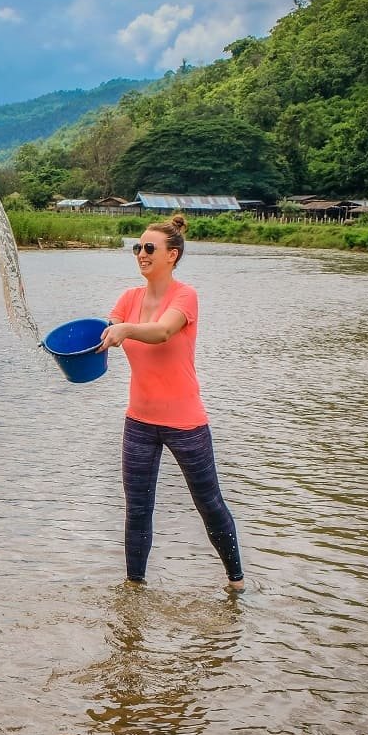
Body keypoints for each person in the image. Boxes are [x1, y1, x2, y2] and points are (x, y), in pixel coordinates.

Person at [97, 213, 246, 589]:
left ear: (172, 255)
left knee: (209, 503)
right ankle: (134, 589)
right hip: (139, 422)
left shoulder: (186, 296)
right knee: (137, 510)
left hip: (186, 424)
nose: (141, 254)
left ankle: (236, 581)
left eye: (149, 248)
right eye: (137, 248)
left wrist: (126, 329)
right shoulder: (128, 298)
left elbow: (162, 332)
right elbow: (101, 331)